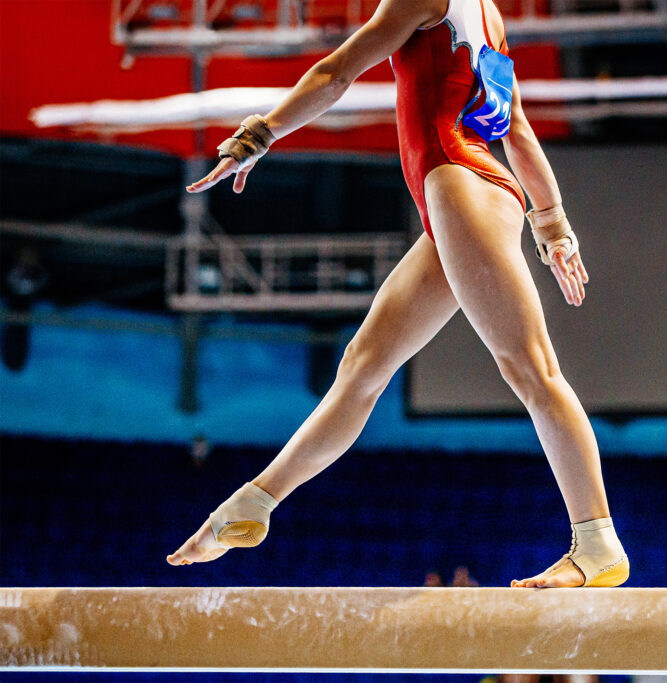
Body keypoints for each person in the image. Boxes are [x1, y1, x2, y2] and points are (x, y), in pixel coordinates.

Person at [166, 0, 629, 589]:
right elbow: (514, 127)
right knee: (362, 367)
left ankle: (597, 543)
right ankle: (254, 504)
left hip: (461, 180)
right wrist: (552, 222)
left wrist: (260, 133)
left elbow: (336, 74)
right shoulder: (484, 12)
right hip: (467, 187)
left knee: (530, 369)